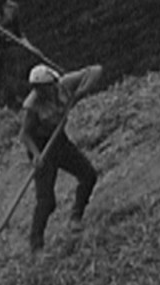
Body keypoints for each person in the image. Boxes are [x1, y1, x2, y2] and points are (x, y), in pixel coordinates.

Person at [19, 63, 103, 251]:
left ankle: (75, 218)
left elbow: (96, 70)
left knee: (88, 175)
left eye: (45, 88)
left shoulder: (65, 84)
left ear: (52, 84)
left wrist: (81, 91)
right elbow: (24, 134)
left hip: (59, 142)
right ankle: (36, 245)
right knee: (47, 202)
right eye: (37, 89)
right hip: (41, 146)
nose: (42, 92)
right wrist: (36, 155)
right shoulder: (32, 105)